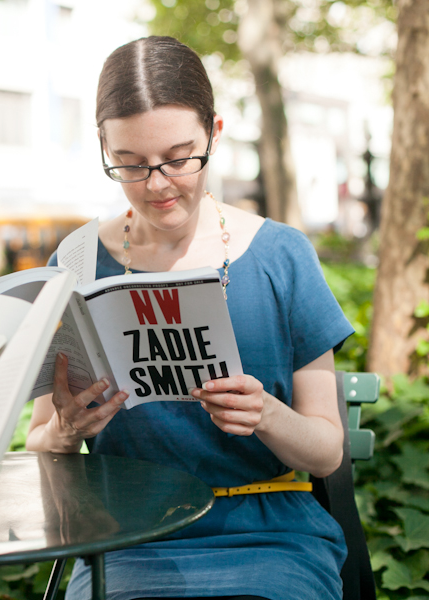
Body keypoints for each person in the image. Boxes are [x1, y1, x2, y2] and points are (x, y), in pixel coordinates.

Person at [26, 36, 353, 600]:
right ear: (103, 145)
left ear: (215, 135)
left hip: (269, 535)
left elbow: (326, 450)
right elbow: (39, 443)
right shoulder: (76, 261)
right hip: (125, 540)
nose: (157, 185)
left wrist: (267, 415)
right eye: (129, 164)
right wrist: (66, 430)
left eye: (179, 159)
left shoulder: (281, 255)